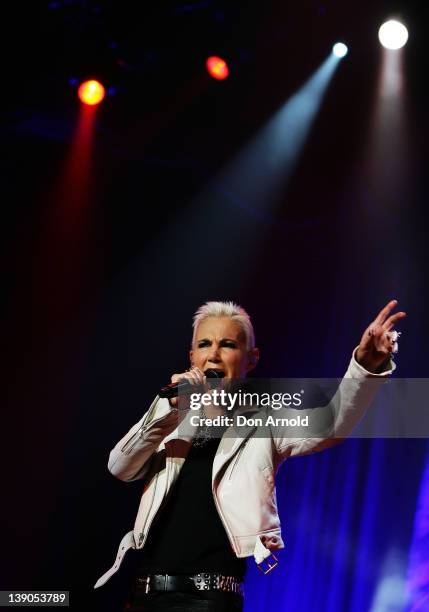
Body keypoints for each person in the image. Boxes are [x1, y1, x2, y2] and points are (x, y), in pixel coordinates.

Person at [94, 299, 405, 611]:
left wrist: (364, 367)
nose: (213, 354)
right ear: (192, 358)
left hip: (210, 599)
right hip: (144, 595)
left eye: (227, 344)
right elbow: (120, 467)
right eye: (204, 344)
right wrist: (167, 410)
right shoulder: (169, 421)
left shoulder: (265, 422)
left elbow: (332, 424)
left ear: (251, 359)